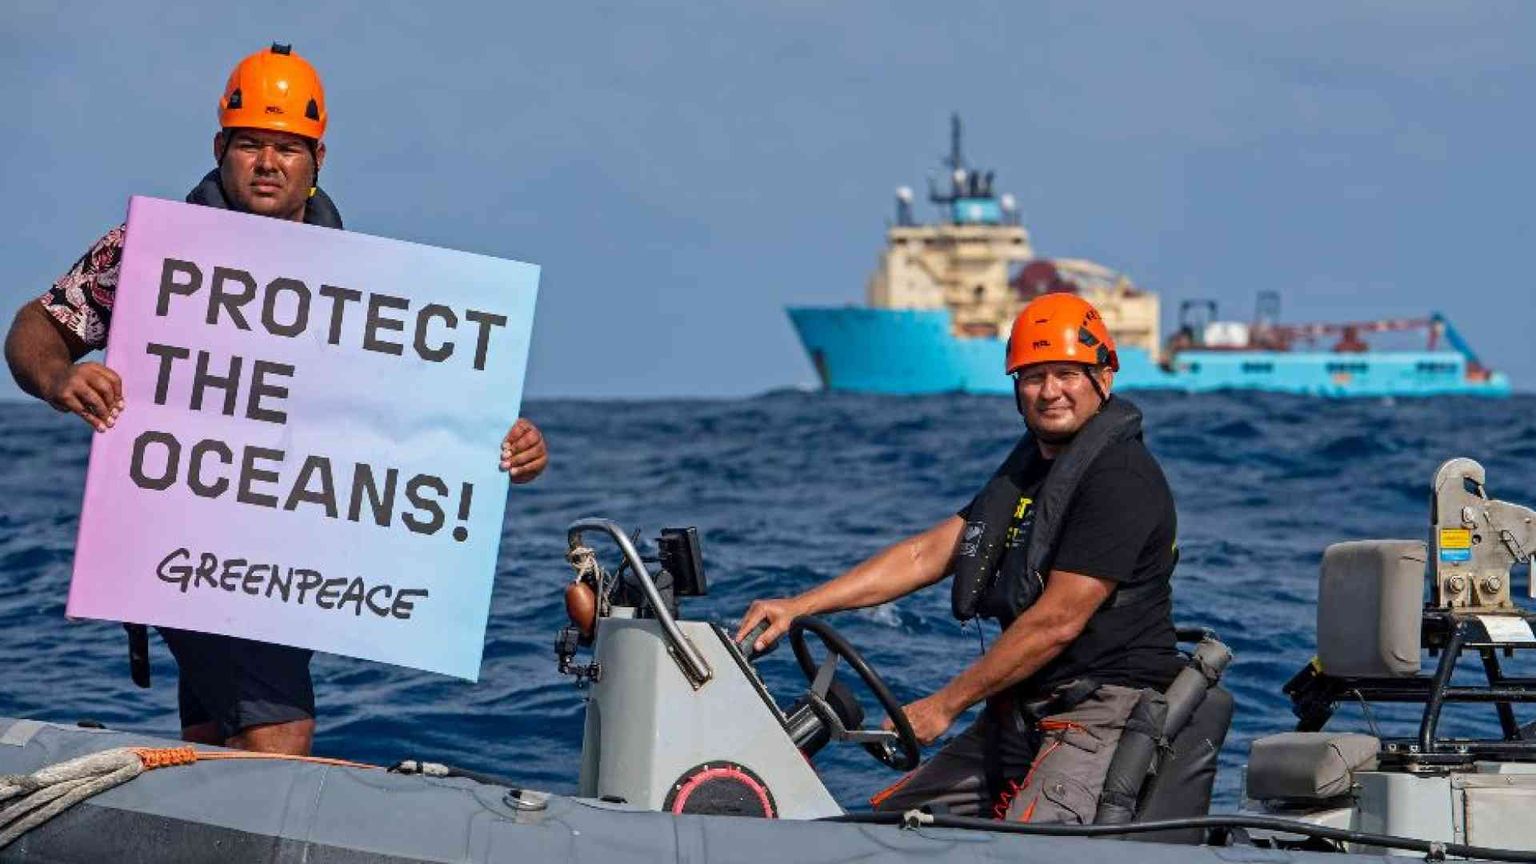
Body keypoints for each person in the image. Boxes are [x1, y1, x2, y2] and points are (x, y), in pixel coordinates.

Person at [4, 43, 549, 756]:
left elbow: (413, 408)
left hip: (288, 553)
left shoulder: (360, 278)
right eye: (250, 144)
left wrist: (501, 443)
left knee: (213, 735)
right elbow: (37, 327)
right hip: (182, 536)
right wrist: (57, 378)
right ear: (219, 149)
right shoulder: (153, 251)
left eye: (287, 148)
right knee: (279, 732)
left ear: (317, 160)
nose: (267, 163)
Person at [736, 292, 1183, 823]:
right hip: (1023, 708)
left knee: (1026, 849)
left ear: (1103, 378)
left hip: (1101, 712)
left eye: (1067, 374)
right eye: (1033, 377)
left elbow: (1058, 621)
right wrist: (800, 606)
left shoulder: (1120, 479)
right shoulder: (1030, 472)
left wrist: (945, 705)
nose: (1050, 392)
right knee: (888, 829)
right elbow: (926, 553)